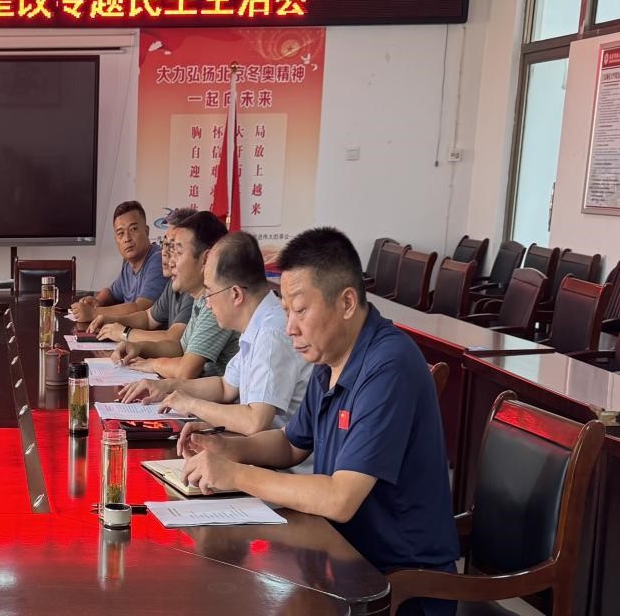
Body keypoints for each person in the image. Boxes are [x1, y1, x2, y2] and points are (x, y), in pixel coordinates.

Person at [179, 227, 458, 616]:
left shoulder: (388, 366)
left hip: (397, 587)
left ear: (346, 302)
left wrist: (235, 475)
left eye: (300, 310)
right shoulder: (331, 358)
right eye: (285, 311)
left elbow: (340, 499)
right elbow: (291, 444)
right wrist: (226, 447)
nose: (289, 327)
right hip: (338, 559)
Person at [117, 232, 311, 438]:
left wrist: (191, 404)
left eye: (209, 293)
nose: (207, 304)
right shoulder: (257, 323)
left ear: (236, 294)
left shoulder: (270, 333)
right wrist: (165, 386)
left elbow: (255, 421)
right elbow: (225, 387)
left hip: (277, 456)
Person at [112, 210, 238, 378]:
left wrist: (153, 364)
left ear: (205, 259)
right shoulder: (201, 299)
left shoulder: (217, 302)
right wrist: (139, 347)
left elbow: (186, 371)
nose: (170, 261)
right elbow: (179, 348)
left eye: (178, 252)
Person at [87, 207, 196, 345]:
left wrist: (123, 332)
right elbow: (147, 317)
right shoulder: (173, 283)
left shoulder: (195, 291)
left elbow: (174, 340)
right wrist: (110, 320)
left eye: (174, 246)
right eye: (165, 243)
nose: (164, 253)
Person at [69, 200, 167, 322]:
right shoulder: (129, 265)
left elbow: (142, 308)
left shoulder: (158, 260)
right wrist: (97, 301)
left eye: (133, 229)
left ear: (146, 231)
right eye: (120, 233)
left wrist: (93, 313)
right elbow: (111, 292)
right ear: (116, 239)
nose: (127, 239)